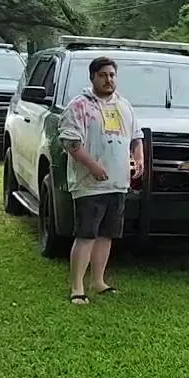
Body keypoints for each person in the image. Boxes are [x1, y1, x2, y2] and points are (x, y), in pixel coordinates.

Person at [58, 56, 145, 305]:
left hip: (117, 183)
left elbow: (136, 136)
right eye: (103, 75)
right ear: (92, 77)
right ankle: (77, 287)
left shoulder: (124, 106)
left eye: (112, 75)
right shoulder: (79, 106)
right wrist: (93, 166)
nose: (109, 80)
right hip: (89, 184)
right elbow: (71, 143)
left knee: (107, 235)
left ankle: (98, 281)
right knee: (86, 234)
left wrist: (139, 158)